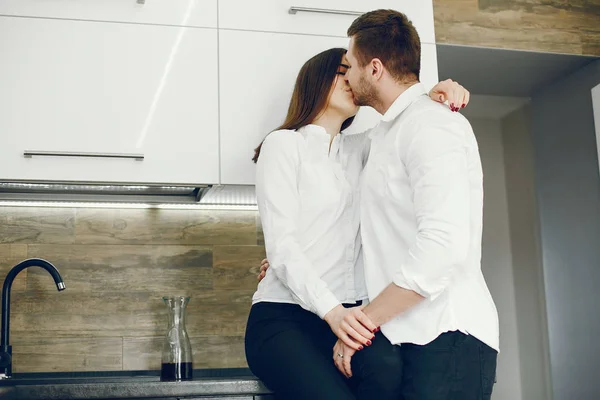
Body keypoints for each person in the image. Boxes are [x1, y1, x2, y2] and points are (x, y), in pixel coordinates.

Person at [245, 44, 471, 399]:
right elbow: (283, 247)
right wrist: (333, 313)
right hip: (284, 317)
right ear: (316, 80)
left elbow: (404, 122)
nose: (351, 78)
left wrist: (432, 94)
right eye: (342, 70)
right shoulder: (283, 145)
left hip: (348, 315)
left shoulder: (364, 148)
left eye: (353, 70)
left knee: (388, 368)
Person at [331, 9, 500, 400]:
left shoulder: (433, 124)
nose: (348, 78)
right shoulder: (387, 132)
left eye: (350, 67)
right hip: (409, 339)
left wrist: (363, 325)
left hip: (447, 338)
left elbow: (443, 248)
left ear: (374, 69)